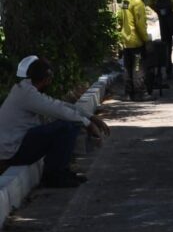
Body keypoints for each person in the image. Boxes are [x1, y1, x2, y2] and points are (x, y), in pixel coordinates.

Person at [0, 57, 110, 187]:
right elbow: (59, 110)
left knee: (68, 123)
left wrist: (91, 117)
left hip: (15, 146)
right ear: (47, 79)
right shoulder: (28, 94)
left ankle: (61, 171)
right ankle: (54, 176)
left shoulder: (25, 89)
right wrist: (88, 123)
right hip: (13, 152)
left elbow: (59, 105)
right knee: (66, 127)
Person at [119, 0, 154, 101]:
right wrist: (146, 40)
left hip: (126, 41)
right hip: (136, 42)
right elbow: (140, 24)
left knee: (127, 68)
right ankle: (141, 93)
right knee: (138, 68)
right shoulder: (138, 2)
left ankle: (128, 94)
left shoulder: (125, 0)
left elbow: (119, 19)